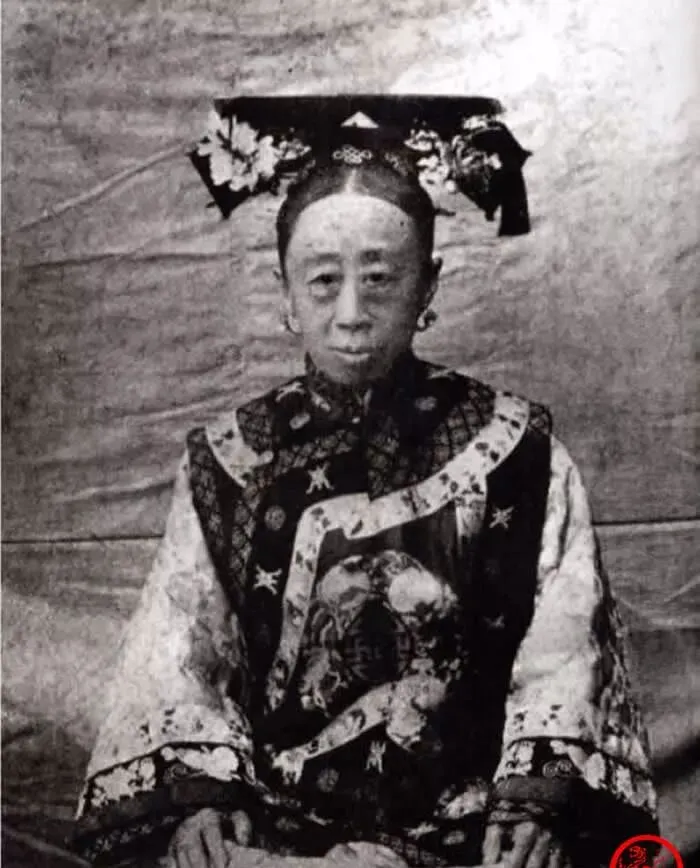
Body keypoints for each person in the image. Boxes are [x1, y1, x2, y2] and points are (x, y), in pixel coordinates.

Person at [73, 96, 658, 868]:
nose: (351, 313)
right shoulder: (229, 461)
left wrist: (533, 805)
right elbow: (182, 650)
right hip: (278, 830)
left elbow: (565, 647)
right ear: (285, 292)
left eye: (380, 279)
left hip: (474, 830)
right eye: (323, 281)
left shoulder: (518, 451)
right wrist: (204, 800)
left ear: (428, 286)